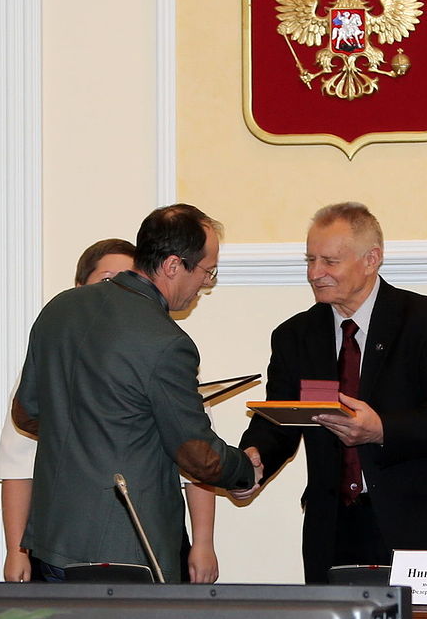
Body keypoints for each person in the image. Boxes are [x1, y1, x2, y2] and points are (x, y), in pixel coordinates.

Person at [13, 204, 261, 581]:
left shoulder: (59, 309)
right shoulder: (166, 343)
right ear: (174, 266)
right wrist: (244, 470)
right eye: (207, 271)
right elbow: (196, 454)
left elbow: (26, 412)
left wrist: (87, 436)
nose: (205, 284)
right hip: (127, 548)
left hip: (52, 539)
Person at [238, 202, 427, 582]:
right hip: (332, 529)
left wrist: (381, 429)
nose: (315, 273)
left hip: (417, 526)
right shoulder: (294, 336)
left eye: (329, 261)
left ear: (371, 259)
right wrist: (251, 460)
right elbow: (279, 423)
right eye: (310, 260)